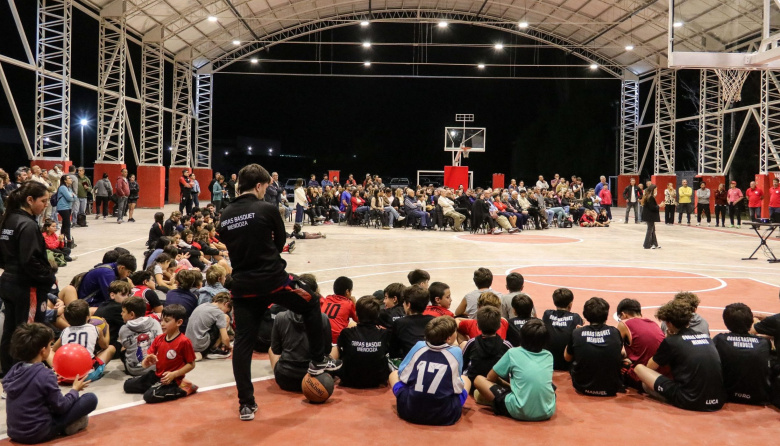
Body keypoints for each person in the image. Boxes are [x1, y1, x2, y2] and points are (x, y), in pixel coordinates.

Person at [217, 164, 339, 421]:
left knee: (243, 344)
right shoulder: (267, 208)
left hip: (243, 287)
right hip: (273, 281)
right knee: (311, 302)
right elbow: (281, 242)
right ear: (260, 186)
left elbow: (229, 243)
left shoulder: (225, 214)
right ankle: (318, 359)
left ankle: (246, 404)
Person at [2, 323, 97, 443]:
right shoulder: (45, 375)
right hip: (38, 432)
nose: (51, 348)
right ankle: (65, 427)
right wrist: (74, 390)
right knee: (90, 399)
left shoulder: (15, 370)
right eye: (50, 345)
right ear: (43, 351)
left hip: (15, 432)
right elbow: (61, 407)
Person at [0, 182, 56, 375]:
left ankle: (9, 371)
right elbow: (30, 260)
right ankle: (23, 376)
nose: (46, 205)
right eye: (43, 201)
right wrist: (48, 277)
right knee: (29, 332)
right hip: (26, 285)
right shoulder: (28, 225)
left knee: (11, 330)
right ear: (30, 200)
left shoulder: (9, 219)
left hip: (8, 281)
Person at [633, 300, 725, 412]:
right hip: (718, 400)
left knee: (640, 370)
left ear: (669, 323)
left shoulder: (671, 341)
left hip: (690, 400)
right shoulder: (705, 337)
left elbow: (650, 367)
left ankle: (671, 398)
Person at [389, 316, 471, 426]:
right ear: (449, 338)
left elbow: (402, 374)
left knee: (393, 374)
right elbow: (457, 387)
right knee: (466, 380)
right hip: (446, 415)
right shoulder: (456, 352)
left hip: (408, 411)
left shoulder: (419, 346)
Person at [472, 319, 555, 421]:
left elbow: (490, 377)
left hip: (519, 411)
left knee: (479, 379)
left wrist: (506, 385)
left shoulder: (513, 352)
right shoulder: (549, 355)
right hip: (548, 411)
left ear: (522, 336)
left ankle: (498, 401)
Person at [123, 304, 197, 403]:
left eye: (166, 321)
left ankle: (183, 389)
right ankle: (156, 386)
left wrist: (175, 374)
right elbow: (147, 361)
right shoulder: (159, 338)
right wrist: (146, 361)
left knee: (149, 396)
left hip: (171, 379)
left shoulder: (184, 341)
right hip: (157, 375)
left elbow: (191, 364)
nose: (162, 324)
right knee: (127, 385)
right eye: (161, 320)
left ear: (179, 322)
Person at [564, 297, 623, 396]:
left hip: (582, 387)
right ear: (606, 315)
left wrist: (576, 335)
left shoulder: (577, 332)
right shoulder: (614, 332)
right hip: (611, 388)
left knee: (576, 352)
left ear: (585, 315)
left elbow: (567, 357)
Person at [714, 303, 771, 405]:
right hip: (758, 397)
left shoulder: (719, 340)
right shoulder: (763, 343)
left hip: (727, 394)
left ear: (726, 322)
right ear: (751, 322)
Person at [52, 300, 115, 382]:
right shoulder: (96, 329)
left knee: (50, 351)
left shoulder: (65, 331)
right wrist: (107, 328)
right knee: (111, 348)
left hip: (65, 375)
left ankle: (55, 370)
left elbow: (54, 349)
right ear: (87, 317)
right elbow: (105, 345)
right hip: (86, 375)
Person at [337, 296, 391, 388]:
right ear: (377, 315)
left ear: (356, 314)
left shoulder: (347, 333)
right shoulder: (384, 334)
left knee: (336, 348)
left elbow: (342, 350)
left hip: (350, 379)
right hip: (377, 379)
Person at [615, 298, 664, 389]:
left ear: (623, 314)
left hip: (643, 376)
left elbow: (613, 351)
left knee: (619, 363)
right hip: (661, 374)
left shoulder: (624, 323)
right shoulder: (653, 323)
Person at [461, 306, 513, 383]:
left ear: (478, 325)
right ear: (499, 325)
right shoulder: (507, 345)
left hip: (473, 384)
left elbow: (462, 364)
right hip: (497, 384)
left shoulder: (471, 343)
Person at [118, 296, 163, 376]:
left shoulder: (124, 329)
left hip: (135, 370)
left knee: (122, 349)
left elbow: (126, 345)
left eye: (123, 312)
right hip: (157, 366)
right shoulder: (155, 322)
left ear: (132, 314)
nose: (121, 314)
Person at [542, 288, 582, 371]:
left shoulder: (547, 314)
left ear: (554, 302)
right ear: (570, 304)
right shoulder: (576, 317)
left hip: (548, 361)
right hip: (568, 363)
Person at [389, 285, 435, 359]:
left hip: (411, 362)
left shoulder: (400, 323)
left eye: (404, 302)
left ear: (408, 305)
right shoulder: (434, 321)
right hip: (433, 359)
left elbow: (393, 351)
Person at [186, 292, 233, 359]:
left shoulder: (202, 305)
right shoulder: (219, 313)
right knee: (226, 318)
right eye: (227, 311)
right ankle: (213, 350)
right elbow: (225, 338)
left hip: (188, 344)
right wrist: (228, 345)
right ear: (226, 304)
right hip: (200, 345)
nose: (226, 312)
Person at [320, 276, 358, 354]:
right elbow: (359, 319)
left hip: (322, 337)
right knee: (353, 324)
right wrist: (355, 303)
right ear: (347, 292)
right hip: (336, 340)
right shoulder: (349, 303)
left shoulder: (328, 298)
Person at [94, 280, 132, 354]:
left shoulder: (103, 304)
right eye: (123, 295)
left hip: (97, 344)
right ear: (112, 295)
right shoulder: (118, 308)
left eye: (128, 295)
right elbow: (131, 326)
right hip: (106, 345)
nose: (127, 298)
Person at [57, 174, 76, 245]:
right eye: (69, 178)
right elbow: (69, 198)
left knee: (65, 224)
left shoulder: (69, 188)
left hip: (68, 207)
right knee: (67, 224)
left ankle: (61, 240)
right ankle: (69, 240)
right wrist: (73, 196)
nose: (71, 179)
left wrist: (73, 196)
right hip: (63, 208)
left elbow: (75, 197)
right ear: (65, 180)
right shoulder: (63, 188)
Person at [642, 184, 660, 249]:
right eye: (656, 189)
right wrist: (659, 206)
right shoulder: (650, 198)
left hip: (648, 215)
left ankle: (655, 243)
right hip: (649, 216)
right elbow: (652, 207)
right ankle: (646, 244)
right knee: (650, 229)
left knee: (652, 229)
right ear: (652, 190)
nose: (656, 190)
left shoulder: (648, 196)